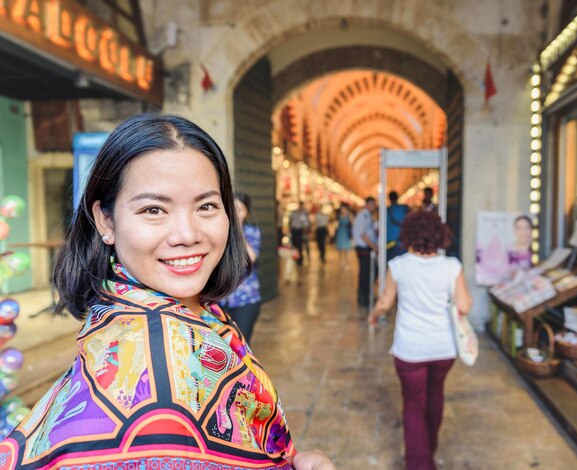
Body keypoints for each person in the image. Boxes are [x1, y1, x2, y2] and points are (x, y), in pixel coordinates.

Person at [0, 114, 334, 470]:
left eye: (206, 206)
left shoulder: (187, 314)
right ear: (106, 221)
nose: (187, 234)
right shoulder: (158, 408)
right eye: (154, 209)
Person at [368, 210, 472, 470]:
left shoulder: (398, 265)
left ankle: (419, 463)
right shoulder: (452, 266)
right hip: (443, 347)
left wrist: (374, 314)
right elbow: (465, 305)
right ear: (439, 235)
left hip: (410, 349)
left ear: (409, 235)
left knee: (413, 405)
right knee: (435, 395)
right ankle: (428, 451)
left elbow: (385, 302)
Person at [220, 192, 262, 344]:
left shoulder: (251, 232)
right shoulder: (219, 231)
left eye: (240, 209)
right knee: (223, 346)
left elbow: (250, 258)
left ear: (247, 213)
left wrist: (237, 231)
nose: (236, 213)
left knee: (242, 345)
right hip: (220, 299)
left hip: (246, 300)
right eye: (233, 208)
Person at [353, 197, 378, 308]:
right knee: (365, 273)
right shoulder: (363, 215)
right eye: (371, 204)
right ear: (367, 204)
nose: (373, 207)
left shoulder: (368, 215)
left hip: (367, 247)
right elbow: (362, 234)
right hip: (363, 248)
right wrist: (373, 246)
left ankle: (367, 294)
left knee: (371, 271)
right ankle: (362, 296)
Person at [386, 190, 409, 262]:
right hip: (402, 242)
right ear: (397, 197)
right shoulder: (404, 208)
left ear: (389, 199)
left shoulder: (386, 210)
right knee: (402, 264)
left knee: (390, 264)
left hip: (389, 242)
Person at [289, 201, 310, 266]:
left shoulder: (304, 214)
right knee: (294, 245)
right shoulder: (294, 212)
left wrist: (305, 230)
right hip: (294, 230)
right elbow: (290, 220)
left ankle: (300, 260)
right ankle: (295, 258)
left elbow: (306, 223)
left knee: (300, 245)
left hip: (300, 231)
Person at [334, 203, 353, 270]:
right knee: (341, 250)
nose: (342, 209)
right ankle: (341, 264)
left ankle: (346, 264)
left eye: (343, 208)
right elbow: (336, 224)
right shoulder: (339, 215)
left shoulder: (349, 215)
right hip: (340, 233)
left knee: (346, 250)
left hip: (346, 234)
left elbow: (352, 222)